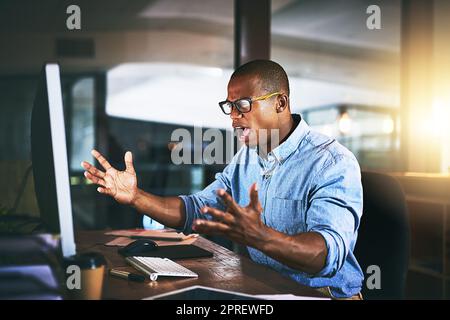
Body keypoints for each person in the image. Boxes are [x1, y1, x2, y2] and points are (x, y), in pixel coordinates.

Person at [82, 60, 364, 299]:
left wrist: (261, 237)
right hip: (267, 288)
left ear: (280, 103)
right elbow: (198, 209)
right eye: (229, 107)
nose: (233, 118)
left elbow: (327, 255)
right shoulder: (247, 158)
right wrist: (136, 197)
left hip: (322, 294)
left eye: (242, 105)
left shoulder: (332, 162)